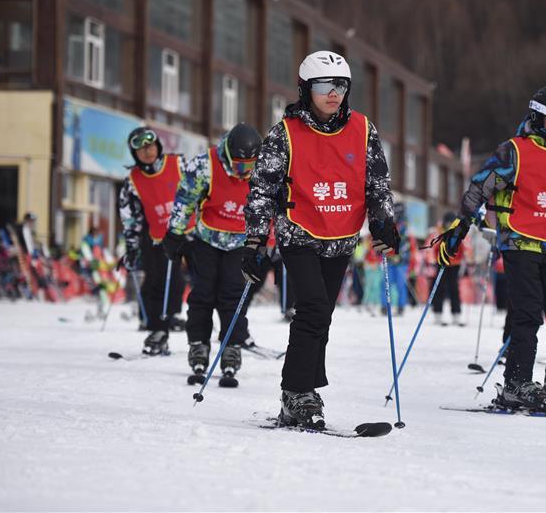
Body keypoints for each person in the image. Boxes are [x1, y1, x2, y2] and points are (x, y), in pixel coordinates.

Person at [241, 50, 399, 429]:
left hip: (342, 236)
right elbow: (262, 190)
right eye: (324, 85)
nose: (334, 93)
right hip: (299, 233)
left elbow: (377, 182)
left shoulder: (363, 129)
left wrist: (383, 223)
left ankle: (309, 388)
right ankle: (296, 393)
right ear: (305, 89)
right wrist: (255, 242)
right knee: (311, 308)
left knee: (322, 315)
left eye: (341, 85)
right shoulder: (284, 133)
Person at [441, 84, 546, 410]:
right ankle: (517, 382)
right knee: (527, 315)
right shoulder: (514, 151)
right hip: (520, 244)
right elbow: (480, 186)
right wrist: (460, 225)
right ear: (540, 114)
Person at [163, 123, 263, 383]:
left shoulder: (263, 169)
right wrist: (174, 233)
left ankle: (231, 347)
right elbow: (185, 200)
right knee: (203, 293)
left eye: (250, 167)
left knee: (232, 295)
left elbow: (271, 205)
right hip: (206, 238)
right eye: (240, 166)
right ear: (228, 156)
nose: (245, 173)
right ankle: (198, 344)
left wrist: (266, 241)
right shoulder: (204, 164)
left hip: (240, 242)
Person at [118, 127, 192, 354]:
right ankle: (158, 329)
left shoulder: (179, 164)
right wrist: (131, 248)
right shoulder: (133, 180)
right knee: (159, 282)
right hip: (159, 239)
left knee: (206, 282)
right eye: (140, 150)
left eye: (150, 147)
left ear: (158, 146)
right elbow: (131, 218)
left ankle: (211, 332)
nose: (147, 153)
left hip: (192, 233)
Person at [432, 212, 465, 326]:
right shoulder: (440, 232)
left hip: (454, 265)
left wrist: (458, 259)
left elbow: (461, 249)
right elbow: (435, 249)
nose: (449, 225)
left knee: (454, 289)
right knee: (439, 288)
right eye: (447, 223)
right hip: (442, 264)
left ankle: (456, 314)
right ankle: (437, 313)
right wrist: (439, 258)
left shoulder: (457, 233)